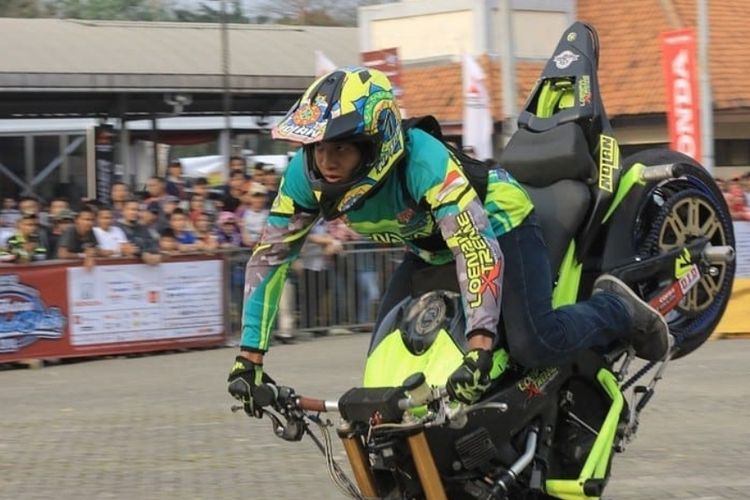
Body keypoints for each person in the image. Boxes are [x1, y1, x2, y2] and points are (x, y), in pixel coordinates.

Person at [227, 67, 670, 412]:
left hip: (499, 224)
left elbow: (474, 247)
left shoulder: (423, 161)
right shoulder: (304, 178)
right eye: (318, 147)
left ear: (375, 141)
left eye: (340, 147)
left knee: (536, 341)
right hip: (429, 247)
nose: (326, 160)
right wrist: (251, 358)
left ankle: (618, 309)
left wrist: (479, 343)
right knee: (382, 376)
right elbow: (270, 260)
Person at [118, 198, 161, 265]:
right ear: (123, 211)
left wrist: (153, 254)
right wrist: (142, 253)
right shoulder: (116, 228)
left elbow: (153, 247)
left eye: (137, 210)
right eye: (131, 209)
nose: (135, 212)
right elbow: (128, 249)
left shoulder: (143, 228)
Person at [238, 183, 269, 249]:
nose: (259, 200)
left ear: (265, 198)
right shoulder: (243, 213)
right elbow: (245, 239)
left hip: (263, 249)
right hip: (246, 250)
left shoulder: (268, 214)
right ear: (250, 198)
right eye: (256, 196)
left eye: (261, 196)